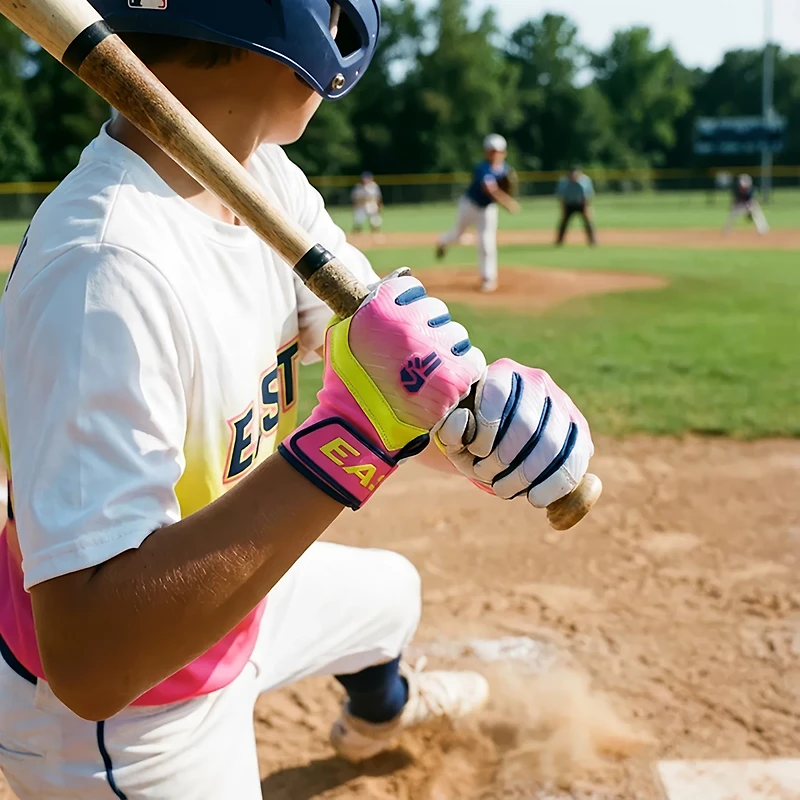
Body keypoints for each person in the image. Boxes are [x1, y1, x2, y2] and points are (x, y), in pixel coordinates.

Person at [0, 2, 595, 797]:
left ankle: (381, 712)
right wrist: (353, 443)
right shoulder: (105, 270)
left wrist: (475, 418)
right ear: (279, 37)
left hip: (227, 597)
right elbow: (93, 658)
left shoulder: (263, 176)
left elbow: (382, 358)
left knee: (390, 594)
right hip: (132, 720)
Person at [436, 134, 520, 294]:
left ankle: (488, 278)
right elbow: (489, 189)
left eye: (499, 151)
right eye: (492, 151)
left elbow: (505, 187)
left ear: (504, 152)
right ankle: (443, 241)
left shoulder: (505, 170)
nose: (495, 154)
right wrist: (508, 202)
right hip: (470, 205)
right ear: (486, 152)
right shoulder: (482, 168)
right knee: (458, 234)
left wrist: (507, 195)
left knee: (486, 242)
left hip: (488, 209)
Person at [555, 165, 597, 246]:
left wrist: (586, 208)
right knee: (564, 222)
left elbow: (588, 196)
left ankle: (592, 241)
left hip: (581, 203)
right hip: (568, 204)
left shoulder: (585, 180)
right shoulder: (564, 182)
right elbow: (561, 197)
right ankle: (559, 241)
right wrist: (563, 210)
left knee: (588, 221)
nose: (573, 177)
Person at [351, 171, 384, 235]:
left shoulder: (374, 186)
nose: (365, 180)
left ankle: (375, 236)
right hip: (361, 206)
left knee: (375, 222)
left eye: (367, 178)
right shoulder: (359, 187)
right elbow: (355, 198)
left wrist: (379, 206)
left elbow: (378, 197)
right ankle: (355, 236)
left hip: (371, 205)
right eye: (364, 178)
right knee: (358, 222)